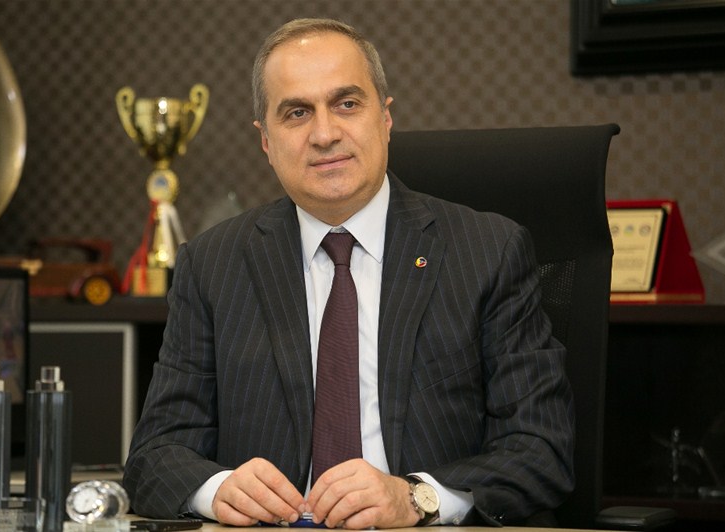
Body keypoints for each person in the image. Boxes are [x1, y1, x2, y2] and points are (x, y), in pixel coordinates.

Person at [123, 17, 575, 529]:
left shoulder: (487, 252)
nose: (324, 134)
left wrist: (416, 497)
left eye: (346, 104)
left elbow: (541, 450)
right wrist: (217, 489)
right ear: (265, 140)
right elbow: (153, 457)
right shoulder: (212, 265)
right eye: (297, 113)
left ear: (385, 117)